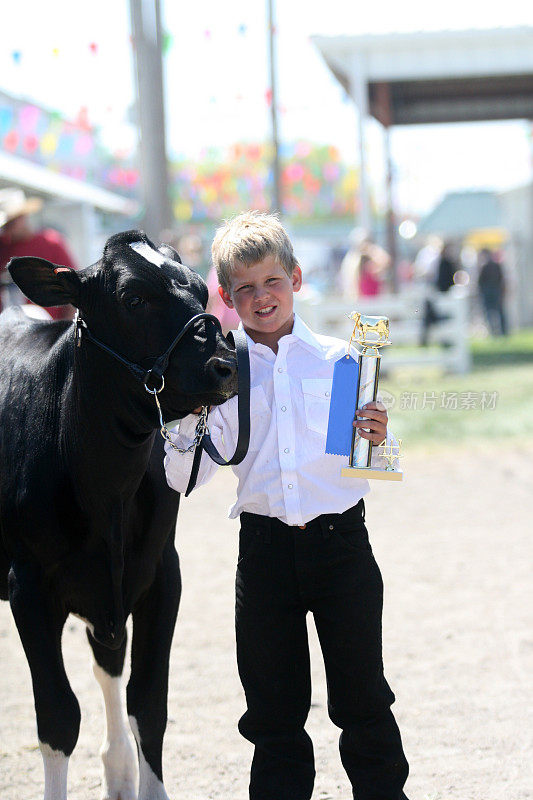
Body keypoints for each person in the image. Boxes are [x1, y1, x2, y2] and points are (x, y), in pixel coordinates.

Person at [164, 211, 410, 800]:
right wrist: (186, 417)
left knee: (363, 698)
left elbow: (376, 464)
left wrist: (381, 440)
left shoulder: (341, 361)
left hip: (343, 550)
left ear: (295, 278)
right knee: (272, 712)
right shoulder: (220, 373)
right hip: (265, 554)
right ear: (226, 297)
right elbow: (184, 477)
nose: (260, 297)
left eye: (271, 281)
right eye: (244, 288)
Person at [0, 188, 77, 319]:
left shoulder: (51, 243)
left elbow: (73, 288)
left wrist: (66, 331)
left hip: (50, 331)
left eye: (11, 223)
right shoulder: (2, 246)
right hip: (9, 331)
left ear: (22, 217)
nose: (8, 230)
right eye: (5, 226)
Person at [477, 248, 507, 336]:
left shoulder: (484, 266)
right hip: (495, 291)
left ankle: (494, 331)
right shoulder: (496, 266)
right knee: (497, 311)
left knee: (491, 312)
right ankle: (501, 331)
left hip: (490, 292)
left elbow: (480, 282)